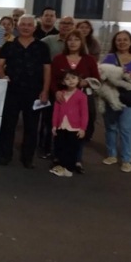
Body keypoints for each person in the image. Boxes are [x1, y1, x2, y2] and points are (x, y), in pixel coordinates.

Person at [0, 15, 51, 168]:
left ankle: (27, 158)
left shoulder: (42, 47)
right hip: (11, 91)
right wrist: (2, 76)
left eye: (29, 25)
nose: (26, 27)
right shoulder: (8, 45)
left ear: (34, 27)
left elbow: (47, 69)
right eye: (23, 24)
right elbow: (0, 65)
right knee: (8, 125)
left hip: (34, 92)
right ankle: (5, 155)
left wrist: (45, 90)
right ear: (17, 27)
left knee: (31, 126)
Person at [100, 31, 131, 173]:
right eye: (119, 40)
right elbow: (101, 75)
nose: (122, 42)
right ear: (115, 42)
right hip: (112, 96)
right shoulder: (109, 58)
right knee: (111, 126)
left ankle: (126, 159)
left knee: (126, 128)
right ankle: (112, 154)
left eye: (125, 39)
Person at [38, 16, 76, 158]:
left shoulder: (78, 43)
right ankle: (46, 147)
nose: (66, 26)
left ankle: (62, 150)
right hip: (53, 84)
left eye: (69, 23)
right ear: (58, 25)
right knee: (49, 119)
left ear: (74, 26)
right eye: (63, 23)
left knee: (67, 121)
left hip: (72, 89)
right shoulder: (49, 41)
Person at [50, 70, 89, 177]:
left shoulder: (81, 96)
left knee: (72, 148)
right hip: (61, 126)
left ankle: (69, 168)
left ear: (78, 80)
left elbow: (84, 113)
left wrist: (83, 128)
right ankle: (61, 166)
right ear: (63, 82)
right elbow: (56, 111)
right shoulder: (60, 94)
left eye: (73, 78)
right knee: (61, 146)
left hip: (75, 127)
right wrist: (54, 125)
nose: (71, 81)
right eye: (67, 79)